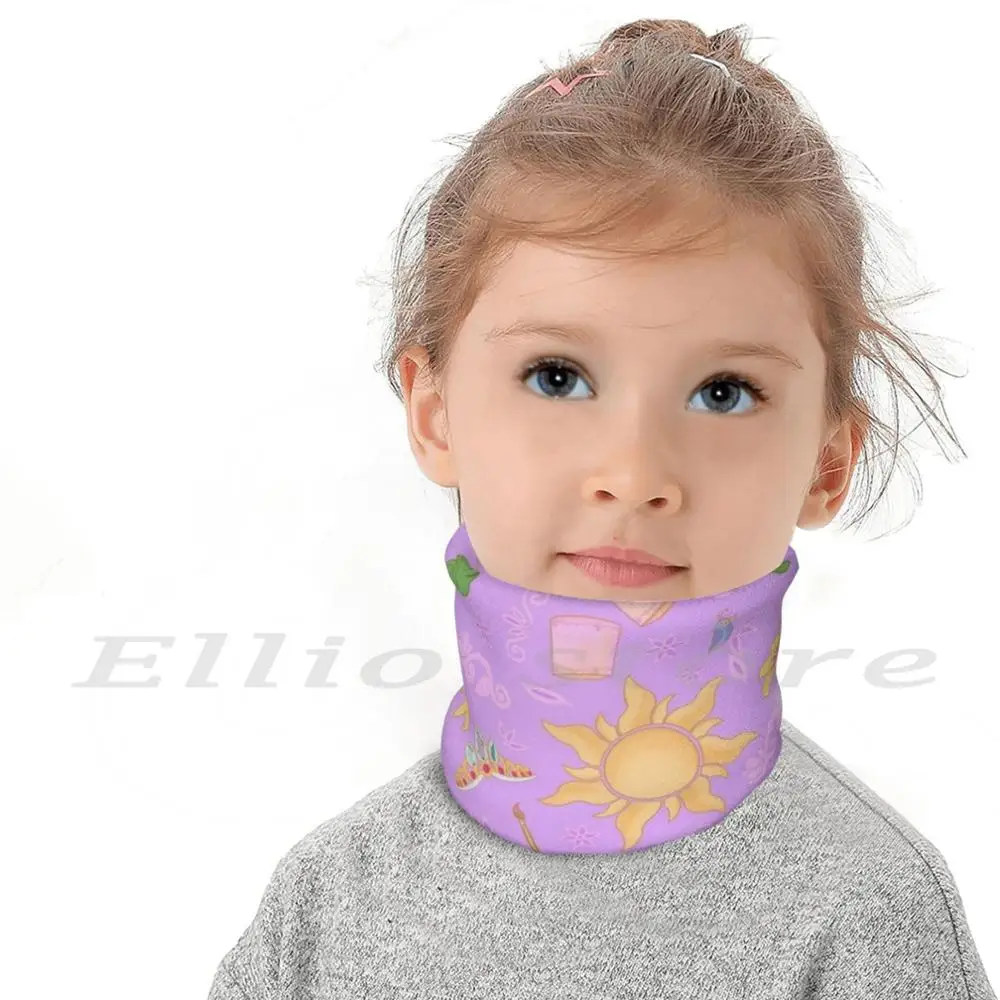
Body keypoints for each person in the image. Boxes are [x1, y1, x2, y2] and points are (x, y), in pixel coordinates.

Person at [207, 18, 996, 998]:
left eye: (722, 392)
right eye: (557, 375)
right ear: (433, 412)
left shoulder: (865, 917)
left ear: (826, 464)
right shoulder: (326, 908)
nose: (633, 472)